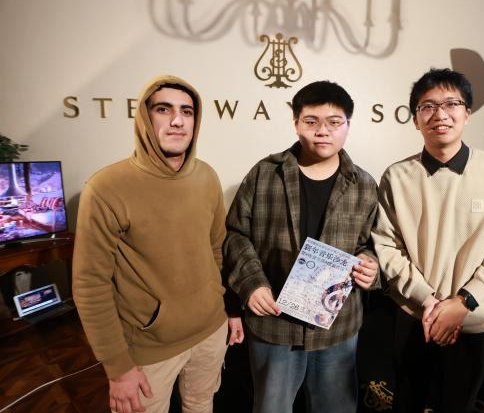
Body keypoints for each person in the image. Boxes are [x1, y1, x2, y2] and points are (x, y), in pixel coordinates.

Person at [72, 75, 244, 413]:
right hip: (149, 347)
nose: (177, 120)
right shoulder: (106, 187)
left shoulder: (206, 176)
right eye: (164, 109)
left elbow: (216, 250)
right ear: (145, 118)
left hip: (210, 331)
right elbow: (90, 284)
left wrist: (228, 309)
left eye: (187, 112)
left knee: (201, 404)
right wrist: (117, 366)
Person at [372, 68, 484, 413]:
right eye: (427, 106)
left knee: (459, 404)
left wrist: (463, 302)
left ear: (467, 113)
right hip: (415, 314)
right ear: (416, 119)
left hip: (472, 318)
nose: (440, 114)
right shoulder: (397, 176)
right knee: (407, 401)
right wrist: (429, 300)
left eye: (451, 104)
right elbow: (386, 246)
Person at [223, 80, 379, 413]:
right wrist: (251, 284)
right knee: (271, 407)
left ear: (348, 126)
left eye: (334, 122)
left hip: (337, 326)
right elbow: (236, 234)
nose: (322, 131)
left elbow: (371, 244)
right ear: (296, 123)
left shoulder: (364, 184)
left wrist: (370, 266)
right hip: (274, 323)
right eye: (311, 121)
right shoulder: (265, 173)